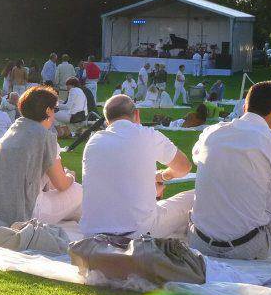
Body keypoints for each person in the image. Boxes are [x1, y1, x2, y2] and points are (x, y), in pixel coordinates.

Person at [188, 82, 271, 260]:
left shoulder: (211, 133)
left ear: (245, 107)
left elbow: (197, 157)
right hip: (247, 248)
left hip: (199, 241)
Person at [80, 95, 194, 238]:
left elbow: (113, 182)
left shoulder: (93, 141)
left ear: (107, 121)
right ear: (137, 114)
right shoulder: (148, 135)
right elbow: (184, 167)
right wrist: (164, 175)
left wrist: (152, 188)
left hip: (92, 233)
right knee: (194, 197)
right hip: (137, 233)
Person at [0, 86, 82, 226]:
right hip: (14, 217)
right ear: (48, 110)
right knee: (78, 191)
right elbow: (61, 184)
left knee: (55, 190)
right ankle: (90, 225)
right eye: (54, 109)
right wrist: (70, 176)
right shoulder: (44, 138)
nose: (54, 114)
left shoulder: (13, 132)